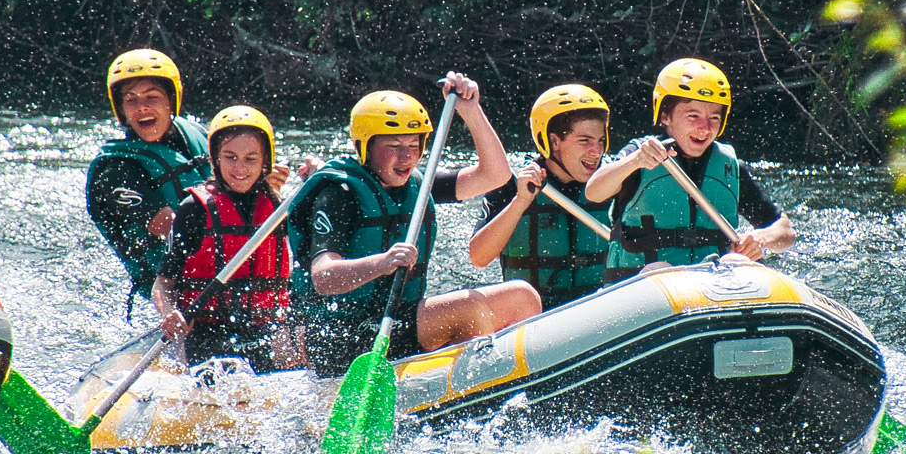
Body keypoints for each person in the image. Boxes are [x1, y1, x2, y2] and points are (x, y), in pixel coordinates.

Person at [290, 75, 541, 376]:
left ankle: (506, 379)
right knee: (468, 308)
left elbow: (495, 175)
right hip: (351, 338)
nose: (406, 156)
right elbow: (324, 277)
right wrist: (381, 263)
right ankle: (474, 383)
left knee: (522, 297)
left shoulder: (419, 186)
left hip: (399, 321)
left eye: (413, 144)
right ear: (364, 147)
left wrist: (471, 111)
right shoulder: (337, 195)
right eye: (393, 145)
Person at [584, 58, 795, 282]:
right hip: (644, 283)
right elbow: (593, 191)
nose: (705, 128)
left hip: (711, 284)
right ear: (665, 116)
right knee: (660, 269)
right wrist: (635, 161)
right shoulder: (639, 154)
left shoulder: (728, 167)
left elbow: (786, 232)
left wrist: (761, 238)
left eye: (714, 118)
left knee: (738, 263)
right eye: (693, 116)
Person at [151, 106, 299, 371]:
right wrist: (170, 313)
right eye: (230, 157)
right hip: (208, 334)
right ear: (215, 158)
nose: (240, 168)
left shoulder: (281, 208)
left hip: (267, 331)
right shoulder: (193, 209)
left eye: (250, 159)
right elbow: (162, 284)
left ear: (265, 161)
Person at [84, 49, 215, 304]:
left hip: (222, 268)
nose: (141, 107)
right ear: (120, 109)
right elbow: (171, 227)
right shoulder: (114, 171)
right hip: (173, 289)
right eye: (130, 100)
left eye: (152, 97)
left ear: (171, 100)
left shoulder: (195, 133)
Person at [469, 84, 613, 308]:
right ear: (554, 141)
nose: (596, 151)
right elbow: (478, 257)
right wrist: (521, 202)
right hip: (537, 315)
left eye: (601, 141)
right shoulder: (510, 185)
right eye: (584, 141)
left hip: (601, 307)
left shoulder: (614, 180)